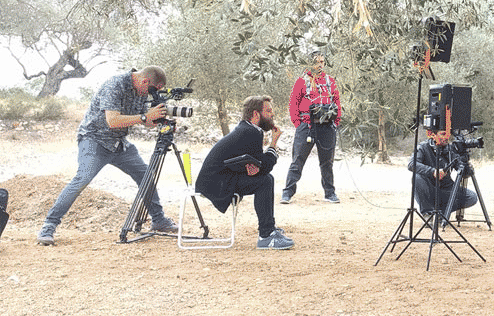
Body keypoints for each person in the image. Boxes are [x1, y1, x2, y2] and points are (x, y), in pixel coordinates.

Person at [36, 66, 178, 245]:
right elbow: (113, 120)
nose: (150, 94)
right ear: (144, 81)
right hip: (95, 140)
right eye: (152, 90)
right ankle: (49, 226)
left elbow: (145, 121)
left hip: (119, 143)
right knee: (82, 179)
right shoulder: (115, 85)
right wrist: (144, 116)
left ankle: (158, 220)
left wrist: (159, 118)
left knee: (145, 175)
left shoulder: (141, 91)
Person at [195, 95, 294, 249]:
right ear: (256, 114)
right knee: (265, 180)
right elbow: (265, 165)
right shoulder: (251, 132)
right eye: (268, 111)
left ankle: (268, 230)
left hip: (220, 179)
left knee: (265, 178)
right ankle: (266, 235)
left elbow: (259, 165)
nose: (272, 115)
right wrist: (274, 142)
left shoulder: (247, 129)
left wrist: (256, 168)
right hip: (216, 183)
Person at [280, 50, 343, 203]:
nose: (320, 65)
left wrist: (336, 122)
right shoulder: (302, 81)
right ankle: (288, 192)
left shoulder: (330, 81)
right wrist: (298, 123)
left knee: (327, 162)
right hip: (306, 126)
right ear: (310, 63)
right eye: (317, 61)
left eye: (322, 61)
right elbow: (293, 103)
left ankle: (330, 193)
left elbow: (337, 102)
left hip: (327, 127)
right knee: (298, 160)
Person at [408, 130, 478, 216]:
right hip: (429, 187)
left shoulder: (451, 149)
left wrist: (466, 164)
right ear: (433, 135)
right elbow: (411, 164)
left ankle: (443, 212)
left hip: (446, 188)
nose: (446, 137)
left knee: (472, 197)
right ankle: (428, 213)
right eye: (443, 134)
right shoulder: (423, 147)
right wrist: (433, 171)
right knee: (417, 177)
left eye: (448, 134)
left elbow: (464, 173)